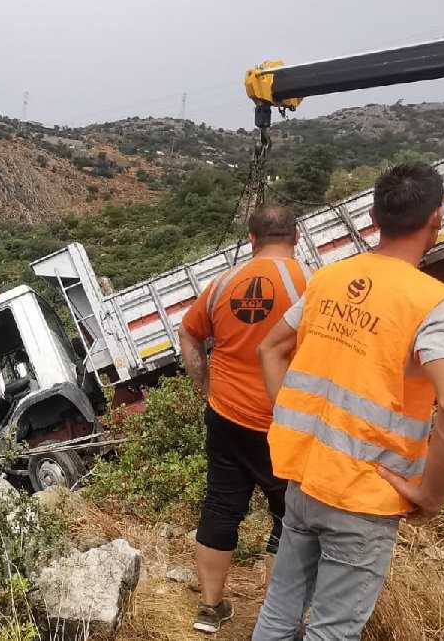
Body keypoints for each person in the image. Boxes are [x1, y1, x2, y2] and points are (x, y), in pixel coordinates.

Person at [252, 163, 444, 640]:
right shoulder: (430, 302)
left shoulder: (329, 278)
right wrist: (431, 494)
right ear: (437, 218)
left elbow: (269, 347)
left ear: (373, 216)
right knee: (332, 631)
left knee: (278, 612)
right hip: (365, 496)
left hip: (305, 479)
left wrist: (290, 416)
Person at [178, 204, 310, 634]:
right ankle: (277, 614)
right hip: (282, 422)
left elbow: (189, 332)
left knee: (220, 505)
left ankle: (210, 609)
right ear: (296, 236)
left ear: (251, 239)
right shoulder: (310, 283)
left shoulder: (221, 284)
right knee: (288, 516)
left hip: (225, 415)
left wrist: (206, 386)